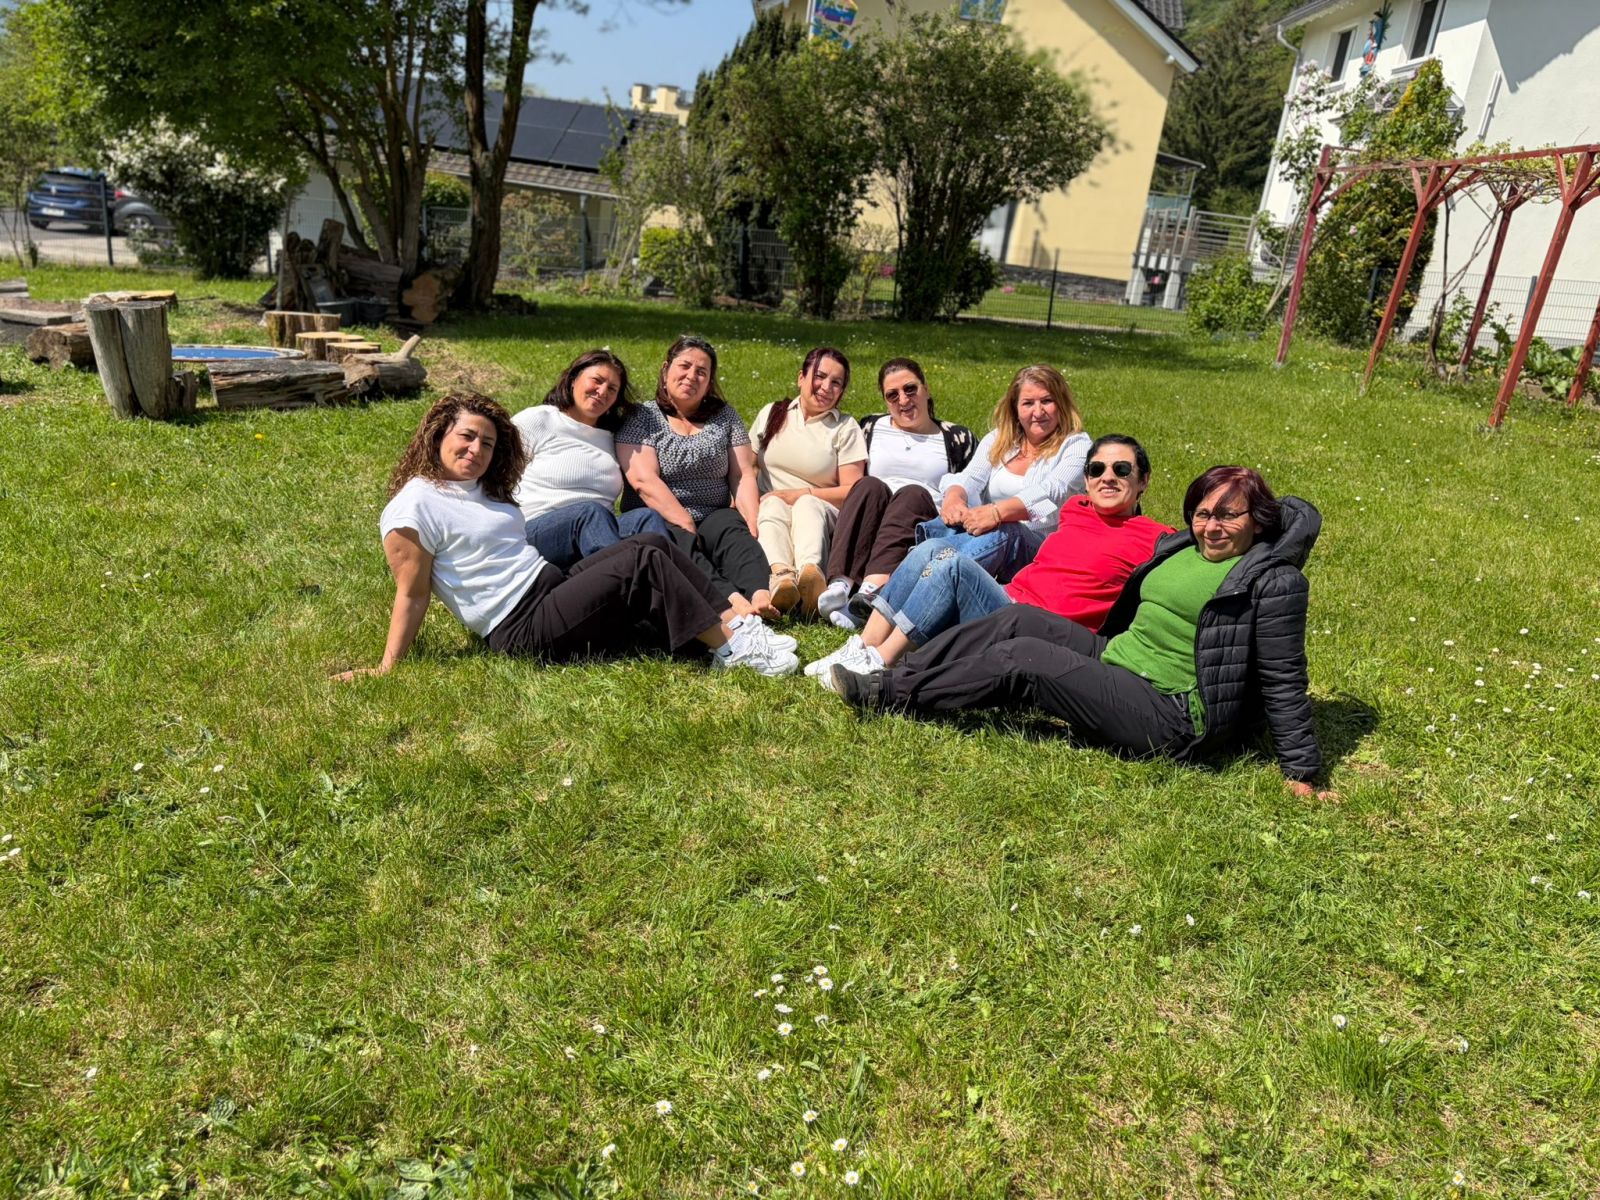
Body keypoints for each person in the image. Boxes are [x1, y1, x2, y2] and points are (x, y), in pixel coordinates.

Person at [826, 466, 1334, 799]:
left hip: (1171, 711)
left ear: (1258, 520)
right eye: (1203, 513)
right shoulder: (1185, 547)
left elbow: (1283, 675)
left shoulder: (1272, 581)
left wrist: (1302, 771)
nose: (1212, 526)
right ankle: (904, 671)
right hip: (1118, 656)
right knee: (1017, 619)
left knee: (1025, 658)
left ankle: (890, 694)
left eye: (1228, 515)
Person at [332, 393, 799, 681]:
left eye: (487, 443)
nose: (476, 450)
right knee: (639, 562)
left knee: (651, 544)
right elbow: (412, 593)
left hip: (548, 587)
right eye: (467, 437)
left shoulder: (478, 489)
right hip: (519, 626)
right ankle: (730, 650)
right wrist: (387, 666)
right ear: (438, 436)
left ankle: (736, 626)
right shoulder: (414, 505)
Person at [807, 435, 1171, 683]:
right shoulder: (1077, 508)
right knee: (929, 550)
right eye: (1097, 470)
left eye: (1122, 470)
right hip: (1008, 601)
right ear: (1087, 480)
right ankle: (864, 646)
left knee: (950, 564)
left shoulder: (1156, 538)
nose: (1107, 478)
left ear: (1144, 481)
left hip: (1043, 631)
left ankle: (881, 663)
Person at [842, 363, 1091, 624]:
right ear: (1015, 409)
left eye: (1047, 401)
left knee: (1008, 529)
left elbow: (1052, 491)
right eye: (1028, 403)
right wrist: (954, 498)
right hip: (988, 536)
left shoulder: (1076, 445)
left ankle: (904, 593)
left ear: (1061, 403)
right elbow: (969, 477)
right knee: (937, 541)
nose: (1038, 412)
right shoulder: (1000, 440)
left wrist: (996, 513)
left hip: (1036, 547)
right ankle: (882, 601)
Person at [617, 335, 776, 618]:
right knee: (675, 538)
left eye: (702, 371)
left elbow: (742, 475)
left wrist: (752, 523)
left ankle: (760, 593)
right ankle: (729, 600)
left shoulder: (725, 416)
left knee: (732, 528)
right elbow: (644, 481)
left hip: (713, 512)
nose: (692, 376)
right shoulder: (641, 417)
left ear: (710, 381)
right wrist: (685, 521)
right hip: (661, 514)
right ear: (666, 369)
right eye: (685, 366)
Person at [814, 357, 978, 628]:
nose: (903, 400)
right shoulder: (869, 427)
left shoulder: (957, 438)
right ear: (885, 400)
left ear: (926, 389)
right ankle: (840, 585)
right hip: (874, 517)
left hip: (919, 519)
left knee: (910, 493)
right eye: (893, 395)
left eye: (910, 389)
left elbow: (971, 486)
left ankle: (871, 592)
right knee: (868, 485)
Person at [511, 349, 671, 569]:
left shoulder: (612, 438)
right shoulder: (540, 419)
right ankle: (620, 581)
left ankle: (671, 585)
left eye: (612, 389)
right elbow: (493, 471)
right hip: (536, 530)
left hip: (597, 531)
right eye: (597, 380)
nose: (602, 391)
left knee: (646, 518)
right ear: (573, 379)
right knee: (589, 512)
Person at [749, 347, 868, 616]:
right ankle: (781, 579)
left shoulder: (845, 427)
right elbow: (747, 466)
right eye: (820, 376)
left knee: (805, 504)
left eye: (836, 382)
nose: (826, 387)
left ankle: (810, 578)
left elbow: (853, 490)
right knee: (771, 506)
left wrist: (799, 494)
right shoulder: (772, 413)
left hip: (821, 509)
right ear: (801, 377)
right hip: (771, 505)